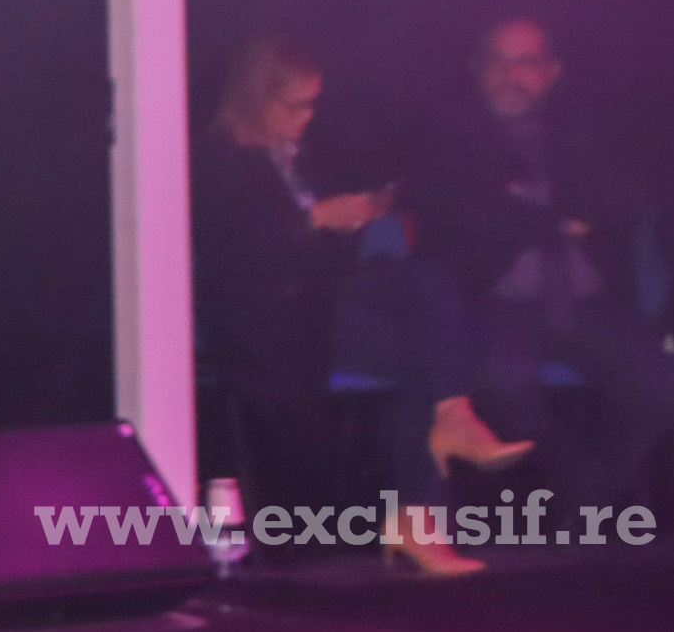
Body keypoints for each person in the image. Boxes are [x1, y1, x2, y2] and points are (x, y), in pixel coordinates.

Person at [192, 36, 527, 576]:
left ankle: (447, 426)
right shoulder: (220, 161)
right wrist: (313, 221)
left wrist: (357, 218)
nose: (306, 118)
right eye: (295, 105)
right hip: (269, 320)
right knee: (424, 346)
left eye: (312, 105)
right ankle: (424, 491)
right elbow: (234, 260)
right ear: (258, 97)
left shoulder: (302, 160)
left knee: (428, 290)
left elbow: (325, 255)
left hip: (323, 300)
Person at [408, 16, 674, 514]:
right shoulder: (450, 136)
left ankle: (576, 503)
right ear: (477, 68)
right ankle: (577, 502)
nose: (509, 75)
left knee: (660, 385)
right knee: (503, 385)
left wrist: (517, 210)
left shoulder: (584, 130)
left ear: (551, 71)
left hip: (589, 301)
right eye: (497, 61)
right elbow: (462, 209)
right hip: (495, 301)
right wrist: (553, 222)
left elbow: (622, 198)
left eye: (525, 62)